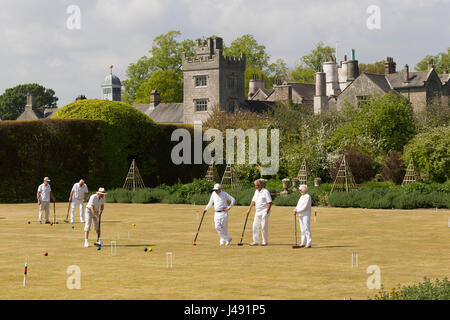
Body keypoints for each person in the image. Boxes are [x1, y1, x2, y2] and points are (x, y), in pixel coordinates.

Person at [246, 179, 272, 246]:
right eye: (255, 185)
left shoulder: (265, 191)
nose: (256, 186)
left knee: (263, 226)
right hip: (257, 211)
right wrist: (249, 209)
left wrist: (267, 211)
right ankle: (256, 241)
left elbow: (269, 202)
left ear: (261, 185)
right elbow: (253, 201)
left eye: (257, 185)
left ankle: (265, 241)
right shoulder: (256, 192)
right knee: (255, 226)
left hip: (264, 211)